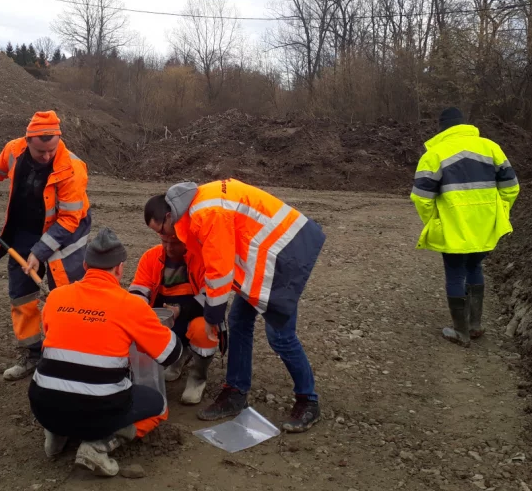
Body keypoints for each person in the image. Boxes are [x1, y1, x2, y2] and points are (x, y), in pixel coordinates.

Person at [143, 178, 326, 433]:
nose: (163, 237)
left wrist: (212, 315)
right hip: (261, 260)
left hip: (285, 257)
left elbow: (219, 271)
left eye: (161, 230)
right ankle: (235, 392)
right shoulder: (193, 209)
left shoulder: (206, 214)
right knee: (240, 321)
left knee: (280, 335)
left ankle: (308, 401)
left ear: (168, 214)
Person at [0, 110, 91, 380]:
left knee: (66, 297)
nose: (46, 156)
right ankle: (32, 354)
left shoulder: (72, 167)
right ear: (28, 142)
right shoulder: (14, 150)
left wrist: (40, 252)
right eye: (40, 152)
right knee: (22, 295)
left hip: (65, 234)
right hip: (24, 230)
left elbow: (70, 219)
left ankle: (72, 355)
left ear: (59, 141)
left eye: (51, 150)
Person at [28, 227, 183, 477]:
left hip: (42, 406)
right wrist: (166, 322)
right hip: (97, 411)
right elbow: (171, 355)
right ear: (120, 268)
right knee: (158, 405)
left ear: (86, 265)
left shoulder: (56, 297)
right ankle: (99, 446)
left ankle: (56, 434)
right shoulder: (130, 305)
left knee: (63, 387)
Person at [410, 107, 520, 347]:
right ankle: (475, 325)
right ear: (464, 125)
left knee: (455, 273)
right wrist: (498, 213)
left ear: (442, 128)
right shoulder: (491, 148)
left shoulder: (435, 154)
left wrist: (434, 220)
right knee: (475, 266)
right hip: (485, 227)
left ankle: (461, 333)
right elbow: (511, 187)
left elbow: (421, 196)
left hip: (453, 227)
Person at [128, 232, 218, 404]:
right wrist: (138, 310)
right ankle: (178, 358)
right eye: (164, 241)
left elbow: (210, 298)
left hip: (195, 315)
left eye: (175, 243)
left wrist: (180, 310)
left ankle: (198, 379)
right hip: (164, 319)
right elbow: (139, 290)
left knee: (203, 330)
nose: (169, 248)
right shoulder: (151, 257)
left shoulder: (202, 259)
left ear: (188, 240)